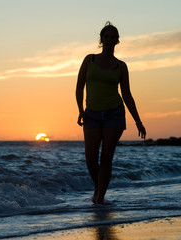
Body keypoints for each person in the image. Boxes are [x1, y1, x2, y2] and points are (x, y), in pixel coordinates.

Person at [75, 21, 146, 204]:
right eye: (106, 36)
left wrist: (138, 121)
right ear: (101, 39)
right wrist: (81, 111)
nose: (109, 40)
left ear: (117, 41)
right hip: (92, 115)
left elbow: (127, 95)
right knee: (90, 158)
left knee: (106, 157)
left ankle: (99, 199)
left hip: (114, 113)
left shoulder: (121, 66)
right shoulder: (89, 60)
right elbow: (79, 87)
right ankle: (98, 187)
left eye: (113, 37)